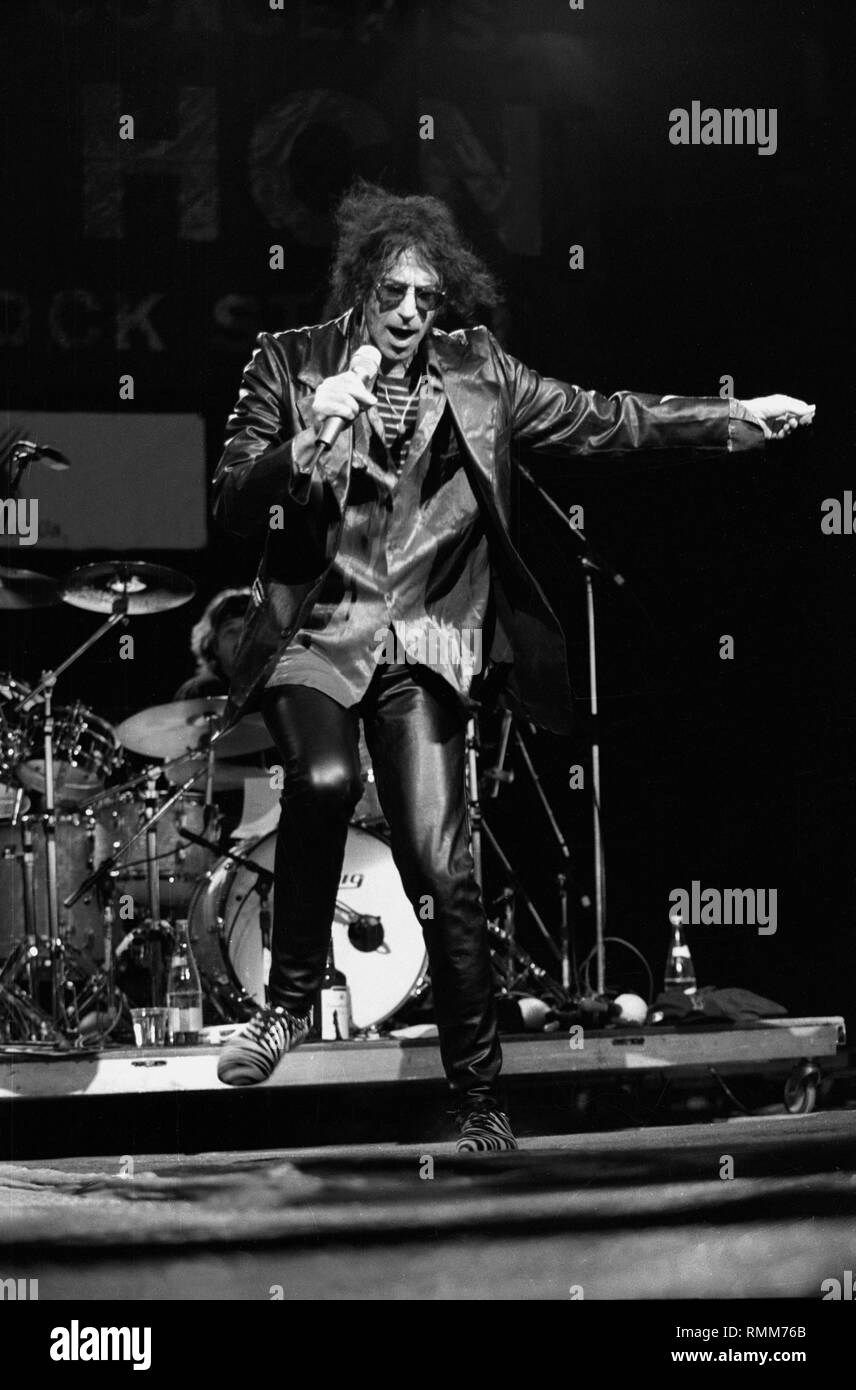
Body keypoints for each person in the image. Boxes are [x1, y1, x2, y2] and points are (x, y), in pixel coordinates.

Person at [211, 181, 814, 1152]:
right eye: (391, 295)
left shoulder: (478, 371)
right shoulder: (288, 363)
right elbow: (236, 501)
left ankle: (483, 1104)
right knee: (320, 778)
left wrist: (729, 419)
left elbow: (605, 418)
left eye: (425, 298)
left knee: (443, 872)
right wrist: (300, 440)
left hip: (425, 642)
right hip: (318, 631)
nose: (408, 314)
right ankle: (283, 1006)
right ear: (360, 290)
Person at [173, 588, 251, 700]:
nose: (241, 639)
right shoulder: (199, 691)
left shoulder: (277, 688)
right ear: (214, 645)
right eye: (231, 631)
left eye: (248, 630)